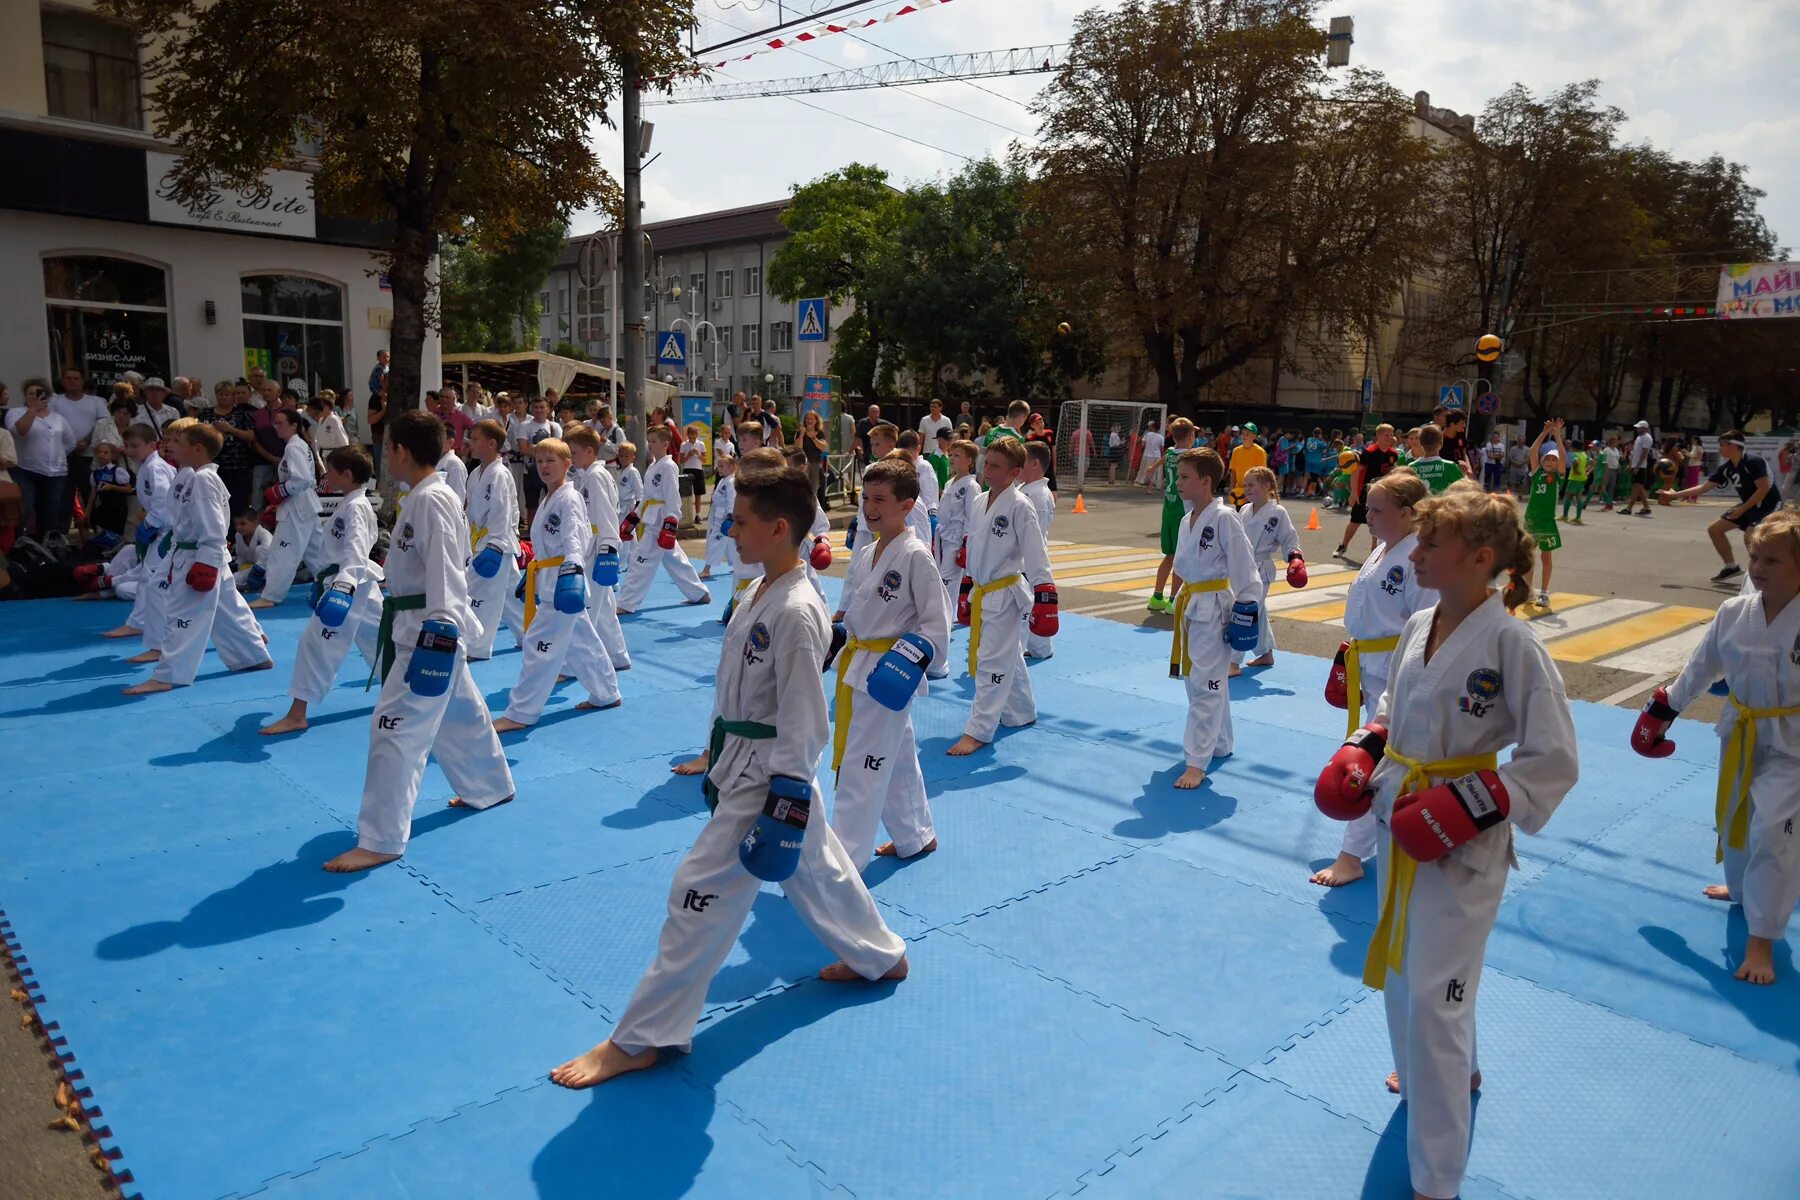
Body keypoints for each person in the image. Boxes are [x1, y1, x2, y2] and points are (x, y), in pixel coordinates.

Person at [549, 466, 909, 1090]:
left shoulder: (795, 611)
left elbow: (805, 718)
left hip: (768, 779)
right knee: (818, 870)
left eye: (740, 522)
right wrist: (712, 757)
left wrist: (788, 797)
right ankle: (882, 955)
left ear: (776, 529)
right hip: (745, 761)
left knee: (698, 893)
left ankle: (643, 1037)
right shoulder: (760, 593)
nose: (728, 530)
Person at [1314, 479, 1576, 1200]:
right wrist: (1366, 748)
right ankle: (1455, 1070)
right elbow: (1396, 707)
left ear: (1479, 557)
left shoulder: (1513, 643)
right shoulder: (1420, 624)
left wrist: (1476, 800)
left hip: (1463, 841)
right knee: (1406, 972)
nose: (1417, 552)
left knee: (1434, 998)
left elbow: (1553, 762)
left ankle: (1437, 1181)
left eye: (1432, 542)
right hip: (1405, 816)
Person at [323, 410, 515, 873]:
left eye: (387, 447)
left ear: (400, 451)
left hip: (427, 629)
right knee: (461, 712)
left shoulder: (432, 500)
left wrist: (442, 629)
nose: (386, 456)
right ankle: (489, 785)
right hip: (417, 622)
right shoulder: (422, 498)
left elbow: (447, 568)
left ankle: (382, 839)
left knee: (394, 729)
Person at [1633, 509, 1800, 985]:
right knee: (1734, 815)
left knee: (1772, 831)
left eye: (1773, 559)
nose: (1760, 567)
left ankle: (1762, 941)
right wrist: (1660, 715)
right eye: (1754, 557)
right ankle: (1745, 888)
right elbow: (1700, 669)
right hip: (1742, 732)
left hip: (1794, 744)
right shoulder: (1733, 613)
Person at [1314, 470, 1435, 889]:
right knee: (1390, 762)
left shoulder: (1418, 558)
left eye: (1376, 508)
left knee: (1373, 765)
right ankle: (1404, 836)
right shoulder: (1384, 548)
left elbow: (1428, 630)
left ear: (1407, 513)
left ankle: (1352, 856)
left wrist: (1409, 679)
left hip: (1398, 674)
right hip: (1369, 665)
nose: (1367, 514)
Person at [828, 458, 949, 866]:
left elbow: (937, 622)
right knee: (894, 758)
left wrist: (907, 665)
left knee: (861, 766)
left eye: (880, 499)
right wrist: (834, 637)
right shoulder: (866, 553)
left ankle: (842, 862)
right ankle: (916, 835)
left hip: (888, 671)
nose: (869, 507)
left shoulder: (916, 556)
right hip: (859, 664)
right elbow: (851, 612)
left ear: (907, 504)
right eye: (865, 498)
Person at [122, 423, 273, 695]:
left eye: (179, 442)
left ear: (198, 448)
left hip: (199, 555)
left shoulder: (203, 479)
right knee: (227, 609)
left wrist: (205, 563)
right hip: (192, 551)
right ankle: (253, 655)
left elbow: (214, 526)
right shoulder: (195, 476)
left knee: (182, 615)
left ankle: (169, 675)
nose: (171, 446)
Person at [493, 438, 621, 733]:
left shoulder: (569, 497)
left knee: (537, 647)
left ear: (567, 464)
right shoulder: (550, 496)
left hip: (563, 581)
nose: (544, 466)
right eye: (539, 461)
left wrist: (573, 571)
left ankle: (521, 711)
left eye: (551, 461)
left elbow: (575, 538)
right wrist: (534, 574)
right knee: (582, 642)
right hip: (551, 578)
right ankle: (606, 692)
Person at [258, 447, 383, 736]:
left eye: (330, 470)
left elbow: (356, 551)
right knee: (381, 642)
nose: (325, 475)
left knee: (314, 644)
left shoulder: (356, 507)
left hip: (351, 585)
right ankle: (404, 693)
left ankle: (297, 714)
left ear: (347, 475)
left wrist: (342, 588)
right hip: (355, 585)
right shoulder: (350, 503)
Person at [948, 437, 1055, 757]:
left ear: (1015, 472)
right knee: (1006, 657)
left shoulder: (1021, 505)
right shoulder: (981, 501)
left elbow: (1037, 554)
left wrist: (1046, 596)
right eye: (986, 462)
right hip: (983, 589)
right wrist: (966, 587)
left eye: (995, 465)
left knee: (990, 661)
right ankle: (1021, 711)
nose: (987, 469)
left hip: (1005, 594)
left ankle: (978, 731)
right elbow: (977, 548)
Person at [1166, 447, 1259, 789]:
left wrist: (1247, 612)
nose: (1178, 482)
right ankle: (1219, 743)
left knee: (1206, 683)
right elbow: (1182, 567)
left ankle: (1197, 762)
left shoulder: (1224, 518)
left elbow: (1245, 570)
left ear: (1206, 481)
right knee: (1201, 681)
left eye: (1185, 476)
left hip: (1215, 606)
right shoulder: (1186, 518)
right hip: (1191, 603)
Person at [1655, 431, 1781, 584]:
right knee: (1715, 529)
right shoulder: (1727, 468)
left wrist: (1742, 509)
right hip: (1749, 504)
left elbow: (1763, 489)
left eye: (1722, 445)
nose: (1719, 448)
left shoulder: (1754, 461)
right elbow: (1704, 487)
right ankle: (1731, 566)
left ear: (1734, 446)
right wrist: (1675, 495)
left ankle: (1767, 573)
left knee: (1750, 536)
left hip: (1768, 504)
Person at [108, 418, 189, 644]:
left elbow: (163, 503)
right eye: (127, 445)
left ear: (152, 445)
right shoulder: (148, 466)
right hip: (164, 529)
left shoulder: (155, 467)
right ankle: (139, 623)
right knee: (151, 577)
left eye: (135, 445)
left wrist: (149, 525)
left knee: (152, 578)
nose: (129, 450)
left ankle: (139, 624)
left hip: (168, 530)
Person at [615, 425, 711, 614]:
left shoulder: (669, 466)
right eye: (648, 441)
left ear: (666, 444)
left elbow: (672, 495)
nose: (650, 445)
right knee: (674, 559)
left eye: (654, 441)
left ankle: (626, 603)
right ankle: (699, 593)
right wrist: (634, 517)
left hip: (660, 521)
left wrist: (671, 522)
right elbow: (646, 496)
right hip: (651, 517)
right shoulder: (653, 466)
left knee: (639, 562)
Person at [566, 425, 631, 673]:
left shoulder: (595, 476)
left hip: (597, 548)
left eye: (574, 452)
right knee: (603, 610)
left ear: (590, 451)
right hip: (592, 545)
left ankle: (575, 665)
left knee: (586, 610)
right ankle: (617, 656)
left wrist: (608, 551)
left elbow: (606, 515)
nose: (571, 457)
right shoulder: (588, 475)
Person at [249, 408, 326, 608]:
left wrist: (281, 490)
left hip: (297, 506)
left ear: (294, 425)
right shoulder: (298, 445)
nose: (276, 427)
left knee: (282, 553)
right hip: (305, 505)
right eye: (275, 423)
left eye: (280, 423)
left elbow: (303, 478)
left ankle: (271, 595)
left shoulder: (294, 447)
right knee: (316, 551)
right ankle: (331, 583)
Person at [1233, 465, 1304, 672]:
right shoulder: (1244, 509)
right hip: (1242, 566)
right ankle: (1266, 654)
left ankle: (1233, 661)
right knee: (1258, 611)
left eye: (1252, 485)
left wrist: (1295, 558)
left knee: (1244, 611)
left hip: (1261, 568)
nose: (1247, 489)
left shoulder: (1278, 512)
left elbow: (1289, 537)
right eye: (1245, 485)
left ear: (1266, 486)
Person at [463, 419, 522, 662]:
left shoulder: (500, 474)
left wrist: (495, 545)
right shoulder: (476, 473)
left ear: (491, 443)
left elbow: (502, 511)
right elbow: (469, 512)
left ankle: (477, 646)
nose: (470, 443)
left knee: (481, 594)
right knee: (511, 596)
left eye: (475, 439)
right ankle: (530, 632)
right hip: (482, 539)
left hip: (495, 543)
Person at [5, 379, 78, 538]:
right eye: (30, 393)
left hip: (56, 473)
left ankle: (46, 546)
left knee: (50, 513)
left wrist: (55, 454)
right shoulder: (16, 413)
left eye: (38, 393)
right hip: (26, 470)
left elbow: (70, 442)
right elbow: (19, 432)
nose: (34, 396)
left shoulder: (58, 418)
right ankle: (19, 544)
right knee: (25, 509)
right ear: (25, 396)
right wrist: (32, 410)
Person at [1147, 418, 1198, 613]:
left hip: (1168, 509)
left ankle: (1157, 595)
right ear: (1191, 436)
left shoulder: (1169, 452)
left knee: (1169, 555)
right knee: (1180, 558)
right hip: (1182, 511)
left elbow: (1164, 458)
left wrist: (1152, 468)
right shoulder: (1190, 457)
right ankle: (1173, 600)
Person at [1333, 423, 1399, 560]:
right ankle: (1343, 546)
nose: (1390, 437)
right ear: (1378, 436)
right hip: (1366, 492)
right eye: (1386, 435)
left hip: (1383, 493)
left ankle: (1373, 555)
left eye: (1391, 435)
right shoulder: (1369, 452)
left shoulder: (1393, 454)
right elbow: (1356, 472)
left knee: (1379, 524)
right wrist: (1354, 492)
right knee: (1355, 521)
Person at [1020, 440, 1058, 660]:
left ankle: (1041, 648)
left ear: (1035, 464)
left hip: (1031, 559)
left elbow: (1035, 533)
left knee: (1034, 605)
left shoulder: (1040, 496)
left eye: (1021, 460)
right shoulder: (1024, 489)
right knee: (1027, 605)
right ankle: (1035, 646)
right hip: (1022, 559)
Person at [1523, 421, 1565, 609]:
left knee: (1545, 558)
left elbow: (1563, 456)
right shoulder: (1537, 473)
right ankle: (1528, 590)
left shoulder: (1558, 477)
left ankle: (1544, 592)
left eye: (1553, 460)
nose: (1550, 462)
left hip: (1547, 523)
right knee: (1529, 557)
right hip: (1531, 521)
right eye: (1547, 459)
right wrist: (1544, 431)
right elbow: (1533, 451)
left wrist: (1557, 436)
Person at [937, 438, 980, 614]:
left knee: (948, 578)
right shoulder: (949, 482)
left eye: (957, 455)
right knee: (943, 576)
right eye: (950, 454)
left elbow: (971, 518)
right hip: (943, 535)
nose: (952, 458)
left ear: (969, 461)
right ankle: (958, 610)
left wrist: (965, 542)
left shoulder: (971, 486)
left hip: (957, 538)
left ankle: (944, 615)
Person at [700, 452, 738, 581]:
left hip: (723, 517)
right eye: (719, 466)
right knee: (730, 543)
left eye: (722, 466)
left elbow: (731, 499)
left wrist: (730, 516)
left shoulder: (731, 481)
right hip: (717, 514)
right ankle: (737, 565)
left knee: (714, 541)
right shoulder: (724, 480)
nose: (719, 469)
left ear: (732, 467)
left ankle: (707, 569)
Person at [1408, 425, 1464, 495]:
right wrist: (1463, 473)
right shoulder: (1449, 466)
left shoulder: (1411, 467)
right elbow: (1463, 490)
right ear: (1441, 444)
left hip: (1419, 505)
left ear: (1421, 443)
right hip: (1441, 505)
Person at [230, 509, 273, 589]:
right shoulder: (238, 536)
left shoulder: (264, 535)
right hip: (250, 572)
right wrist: (241, 571)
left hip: (269, 571)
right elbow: (241, 559)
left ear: (255, 523)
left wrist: (258, 571)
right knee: (229, 581)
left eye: (243, 524)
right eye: (236, 524)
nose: (238, 527)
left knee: (260, 549)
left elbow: (268, 554)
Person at [1620, 419, 1655, 516]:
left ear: (1644, 428)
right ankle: (1646, 507)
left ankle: (1629, 508)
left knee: (1636, 487)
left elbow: (1644, 453)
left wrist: (1638, 467)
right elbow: (1636, 453)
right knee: (1639, 488)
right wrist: (1630, 464)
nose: (1637, 429)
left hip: (1641, 466)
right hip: (1636, 465)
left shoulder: (1647, 438)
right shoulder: (1639, 438)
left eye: (1639, 427)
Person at [1227, 422, 1267, 506]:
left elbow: (1261, 474)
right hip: (1239, 492)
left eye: (1247, 434)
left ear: (1254, 437)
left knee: (1252, 517)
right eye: (1243, 433)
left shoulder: (1260, 452)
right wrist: (1231, 489)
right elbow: (1233, 471)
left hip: (1254, 491)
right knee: (1240, 516)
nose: (1244, 436)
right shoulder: (1236, 451)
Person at [798, 409, 829, 508]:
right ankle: (803, 506)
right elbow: (798, 447)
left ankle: (813, 507)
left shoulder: (819, 433)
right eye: (807, 419)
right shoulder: (801, 432)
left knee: (814, 487)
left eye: (811, 419)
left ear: (816, 420)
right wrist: (802, 435)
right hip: (803, 464)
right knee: (803, 486)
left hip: (815, 463)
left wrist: (813, 438)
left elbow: (823, 446)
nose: (809, 421)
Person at [677, 423, 707, 524]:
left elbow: (704, 460)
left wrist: (698, 454)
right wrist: (689, 455)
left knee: (698, 494)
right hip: (688, 470)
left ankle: (697, 515)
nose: (693, 437)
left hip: (698, 470)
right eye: (691, 435)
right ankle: (685, 514)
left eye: (695, 434)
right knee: (686, 494)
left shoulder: (701, 444)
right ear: (688, 435)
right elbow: (681, 460)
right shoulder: (684, 445)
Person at [1559, 437, 1591, 524]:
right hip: (1582, 478)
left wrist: (1576, 471)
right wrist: (1586, 471)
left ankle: (1565, 516)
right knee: (1579, 497)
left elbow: (1575, 462)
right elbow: (1592, 462)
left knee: (1568, 496)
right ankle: (1578, 517)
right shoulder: (1584, 454)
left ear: (1573, 447)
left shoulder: (1575, 454)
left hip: (1574, 478)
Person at [1596, 435, 1621, 510]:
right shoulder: (1606, 450)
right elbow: (1603, 460)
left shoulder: (1616, 450)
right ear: (1611, 441)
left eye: (1617, 440)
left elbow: (1617, 459)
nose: (1616, 442)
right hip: (1607, 470)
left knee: (1611, 487)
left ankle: (1609, 503)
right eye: (1614, 440)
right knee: (1604, 486)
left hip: (1614, 470)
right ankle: (1604, 500)